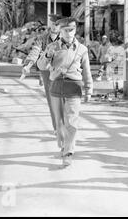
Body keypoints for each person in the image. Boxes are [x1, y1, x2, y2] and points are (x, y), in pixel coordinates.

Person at [37, 17, 93, 167]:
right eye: (66, 30)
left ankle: (68, 152)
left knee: (72, 122)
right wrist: (48, 54)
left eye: (72, 30)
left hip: (73, 88)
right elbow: (41, 66)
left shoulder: (82, 49)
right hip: (56, 87)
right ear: (60, 31)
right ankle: (63, 145)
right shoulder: (52, 46)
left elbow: (87, 72)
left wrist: (89, 89)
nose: (69, 33)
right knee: (60, 123)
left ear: (76, 30)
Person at [22, 14, 63, 131]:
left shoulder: (65, 38)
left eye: (58, 24)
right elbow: (35, 51)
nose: (55, 27)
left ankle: (65, 125)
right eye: (53, 24)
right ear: (50, 24)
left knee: (65, 99)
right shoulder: (42, 38)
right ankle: (57, 128)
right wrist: (28, 65)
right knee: (52, 100)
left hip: (62, 71)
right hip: (47, 72)